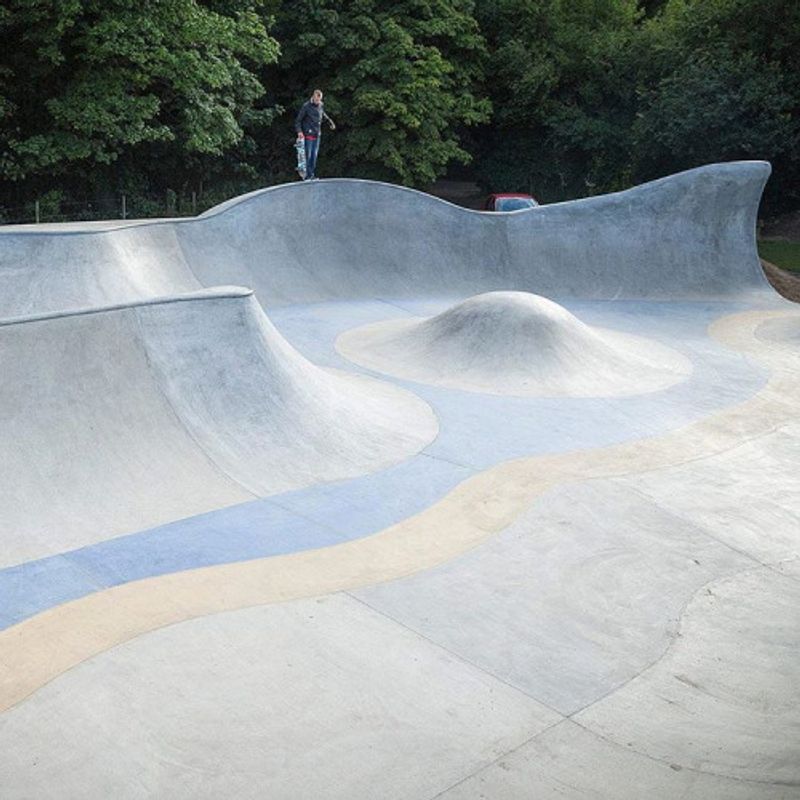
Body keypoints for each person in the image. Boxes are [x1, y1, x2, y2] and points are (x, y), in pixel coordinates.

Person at [295, 89, 336, 180]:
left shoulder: (320, 105)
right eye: (317, 100)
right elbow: (298, 121)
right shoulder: (306, 106)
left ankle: (311, 175)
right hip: (308, 134)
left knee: (314, 156)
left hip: (317, 134)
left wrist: (330, 122)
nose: (318, 102)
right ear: (313, 97)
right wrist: (299, 131)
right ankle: (306, 176)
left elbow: (323, 115)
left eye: (320, 100)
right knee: (308, 156)